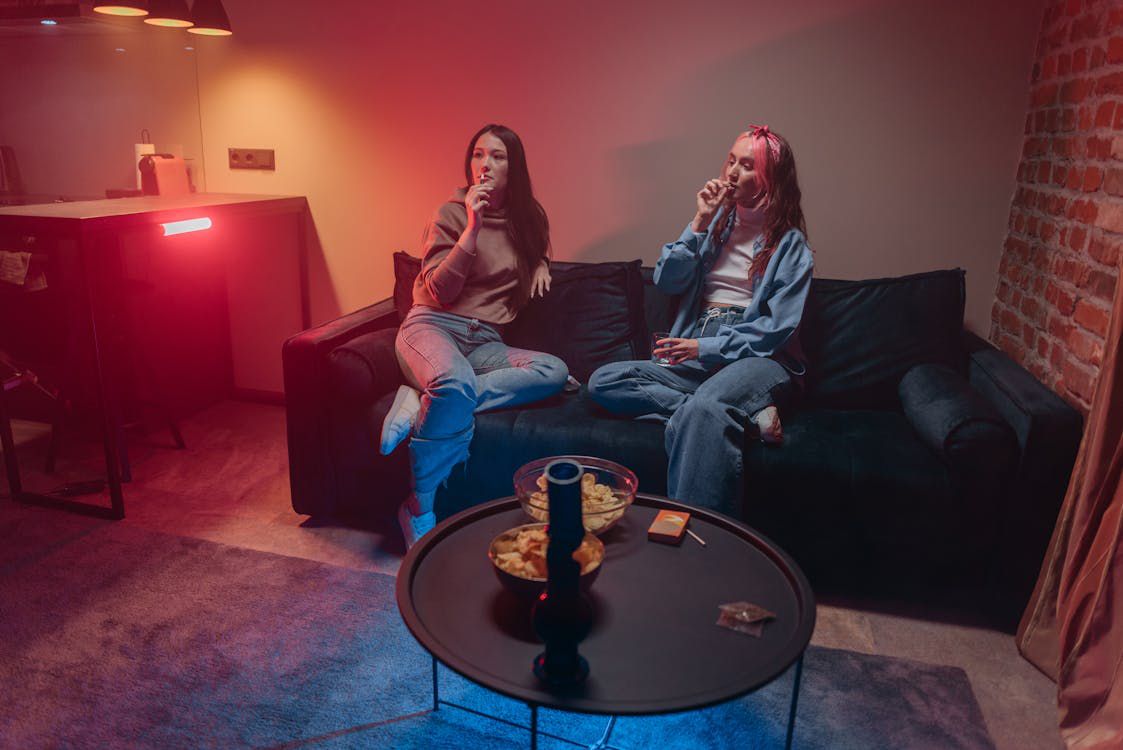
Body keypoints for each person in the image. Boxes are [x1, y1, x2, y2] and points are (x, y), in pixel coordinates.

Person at [587, 125, 813, 512]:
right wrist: (698, 222)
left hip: (758, 359)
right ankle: (746, 415)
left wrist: (704, 346)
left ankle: (699, 536)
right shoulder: (716, 226)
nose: (732, 172)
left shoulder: (790, 245)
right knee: (605, 380)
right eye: (731, 161)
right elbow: (667, 280)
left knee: (706, 407)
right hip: (699, 354)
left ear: (770, 178)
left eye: (747, 165)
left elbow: (776, 330)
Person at [382, 124, 568, 547]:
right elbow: (439, 291)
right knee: (453, 381)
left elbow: (533, 248)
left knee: (553, 370)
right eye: (478, 155)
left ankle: (428, 400)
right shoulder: (450, 213)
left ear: (513, 166)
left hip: (485, 342)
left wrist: (540, 262)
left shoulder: (528, 218)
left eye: (497, 156)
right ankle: (419, 505)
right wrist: (472, 225)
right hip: (432, 326)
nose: (485, 165)